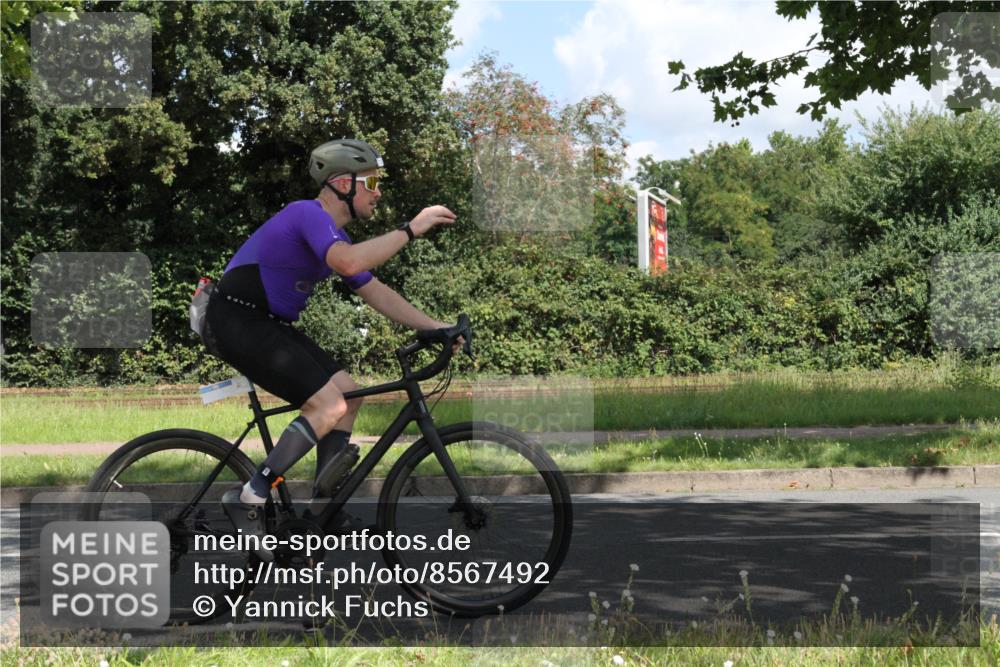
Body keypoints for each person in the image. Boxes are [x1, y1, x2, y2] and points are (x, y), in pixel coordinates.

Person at [207, 139, 461, 559]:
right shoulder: (308, 214)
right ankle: (251, 494)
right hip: (237, 319)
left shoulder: (333, 236)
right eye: (372, 182)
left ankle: (322, 513)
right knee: (329, 406)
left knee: (349, 394)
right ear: (344, 183)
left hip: (266, 324)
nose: (378, 192)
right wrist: (411, 228)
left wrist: (438, 328)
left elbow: (375, 291)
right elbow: (349, 263)